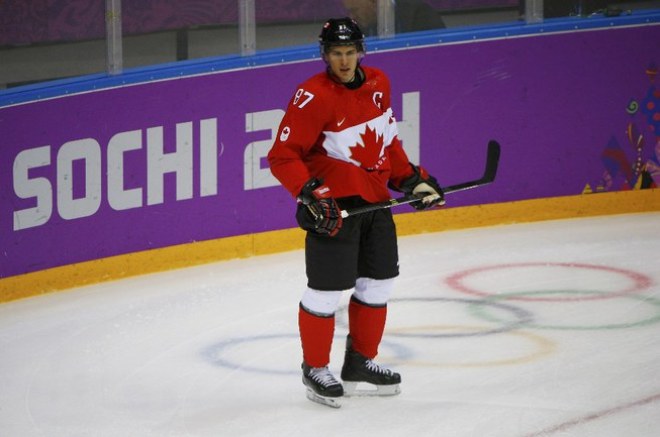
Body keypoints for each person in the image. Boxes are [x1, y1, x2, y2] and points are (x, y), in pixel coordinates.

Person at [267, 17, 444, 408]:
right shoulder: (311, 95)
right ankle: (315, 367)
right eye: (336, 54)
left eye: (349, 53)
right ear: (325, 55)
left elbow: (385, 144)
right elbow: (282, 156)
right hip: (336, 207)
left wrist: (414, 179)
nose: (344, 62)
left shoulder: (379, 83)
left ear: (360, 52)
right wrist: (311, 192)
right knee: (327, 291)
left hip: (376, 203)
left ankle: (360, 362)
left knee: (378, 284)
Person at [342, 0, 446, 36]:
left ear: (374, 2)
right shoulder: (357, 29)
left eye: (354, 10)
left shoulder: (419, 14)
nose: (352, 16)